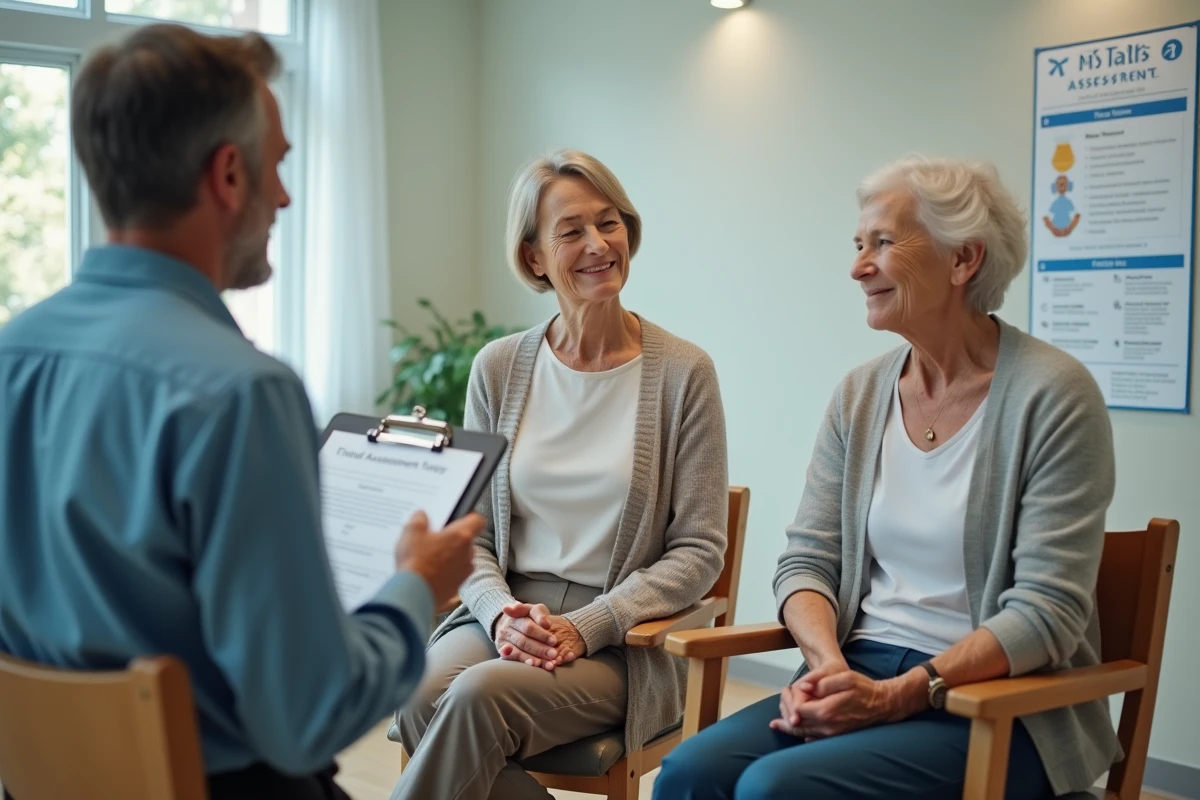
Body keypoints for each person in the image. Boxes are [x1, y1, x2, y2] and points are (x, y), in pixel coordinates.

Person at [0, 24, 482, 800]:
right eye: (278, 164)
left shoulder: (11, 357)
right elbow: (311, 715)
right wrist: (416, 587)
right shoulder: (240, 392)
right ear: (228, 174)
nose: (284, 196)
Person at [655, 156, 1118, 799]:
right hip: (861, 666)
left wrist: (895, 696)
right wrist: (830, 667)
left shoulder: (1054, 395)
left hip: (995, 702)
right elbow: (807, 562)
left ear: (964, 260)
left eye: (883, 243)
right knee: (689, 774)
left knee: (774, 788)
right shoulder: (860, 394)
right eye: (858, 245)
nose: (858, 267)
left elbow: (1048, 613)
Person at [390, 149, 729, 800]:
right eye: (571, 231)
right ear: (535, 257)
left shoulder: (685, 374)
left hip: (621, 641)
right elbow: (472, 534)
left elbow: (699, 551)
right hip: (510, 612)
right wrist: (499, 615)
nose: (598, 244)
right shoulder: (498, 368)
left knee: (477, 698)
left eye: (609, 223)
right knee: (418, 692)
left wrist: (590, 624)